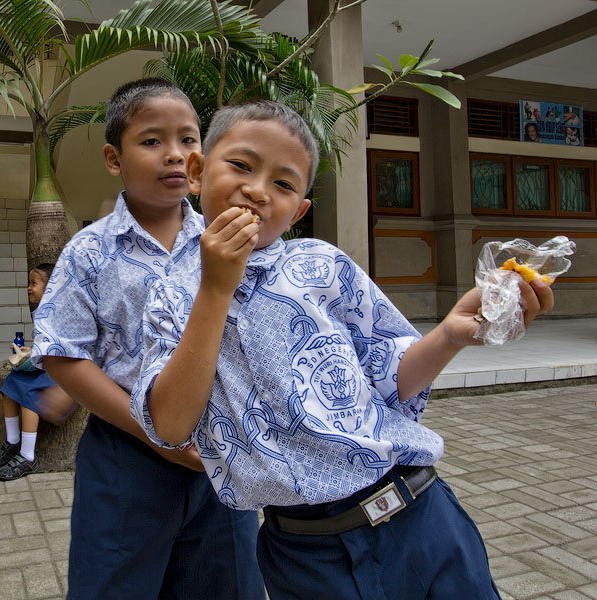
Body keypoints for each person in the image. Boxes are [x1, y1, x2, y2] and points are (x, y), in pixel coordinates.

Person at [131, 100, 554, 600]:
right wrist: (216, 289)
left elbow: (389, 376)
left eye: (284, 184)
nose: (258, 190)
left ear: (299, 211)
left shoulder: (323, 266)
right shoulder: (168, 296)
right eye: (241, 166)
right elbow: (172, 424)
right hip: (305, 552)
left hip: (418, 516)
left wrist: (450, 335)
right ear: (198, 174)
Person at [31, 79, 265, 599]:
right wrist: (155, 432)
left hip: (216, 464)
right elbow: (61, 353)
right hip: (125, 462)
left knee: (229, 583)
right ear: (114, 158)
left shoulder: (224, 241)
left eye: (188, 140)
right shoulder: (89, 251)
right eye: (153, 141)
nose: (175, 156)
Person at [0, 264, 75, 480]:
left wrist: (39, 356)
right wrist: (32, 351)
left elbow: (63, 350)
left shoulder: (59, 315)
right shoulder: (42, 312)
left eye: (34, 283)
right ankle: (12, 440)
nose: (29, 288)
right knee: (11, 383)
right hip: (45, 366)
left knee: (29, 394)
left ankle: (28, 456)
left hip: (59, 373)